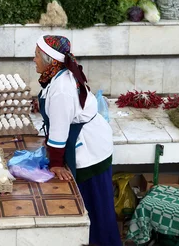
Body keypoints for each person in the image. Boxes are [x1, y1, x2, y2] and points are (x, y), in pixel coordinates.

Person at [34, 35, 121, 246]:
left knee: (95, 212)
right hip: (90, 140)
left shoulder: (62, 89)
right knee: (95, 210)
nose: (34, 60)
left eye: (36, 55)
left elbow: (59, 130)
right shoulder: (59, 76)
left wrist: (55, 163)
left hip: (90, 152)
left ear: (51, 61)